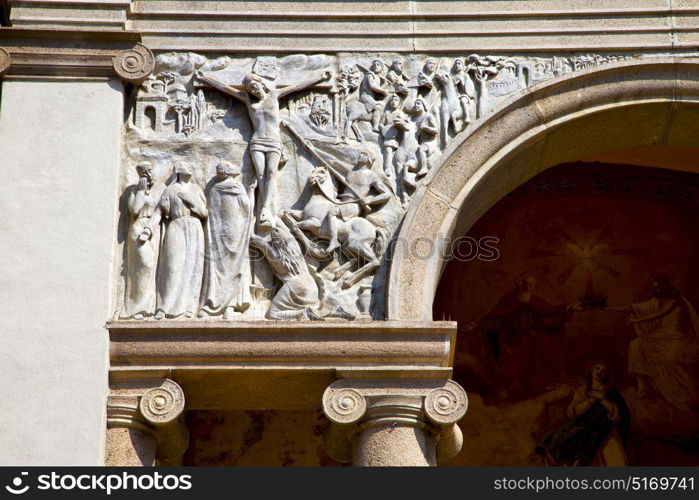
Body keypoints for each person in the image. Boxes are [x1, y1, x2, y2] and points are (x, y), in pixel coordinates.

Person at [196, 68, 332, 229]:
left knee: (272, 173)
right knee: (261, 175)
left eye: (254, 85)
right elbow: (225, 88)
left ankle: (266, 208)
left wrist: (319, 77)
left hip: (274, 142)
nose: (253, 90)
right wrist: (206, 78)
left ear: (261, 83)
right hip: (257, 142)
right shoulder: (248, 101)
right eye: (250, 88)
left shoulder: (274, 95)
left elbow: (297, 86)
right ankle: (263, 211)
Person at [466, 274, 577, 400]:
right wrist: (478, 326)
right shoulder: (508, 300)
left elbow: (548, 316)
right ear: (519, 284)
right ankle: (508, 389)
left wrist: (566, 310)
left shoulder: (536, 301)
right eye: (526, 283)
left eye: (532, 285)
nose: (529, 287)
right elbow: (495, 317)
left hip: (529, 338)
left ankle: (536, 386)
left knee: (542, 340)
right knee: (505, 358)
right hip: (510, 339)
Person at [605, 277, 699, 411]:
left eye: (659, 286)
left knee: (668, 360)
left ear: (667, 286)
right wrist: (607, 309)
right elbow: (630, 307)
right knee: (636, 344)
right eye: (655, 287)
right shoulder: (655, 302)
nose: (657, 289)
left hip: (675, 337)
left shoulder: (675, 300)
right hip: (659, 335)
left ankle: (683, 395)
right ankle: (642, 383)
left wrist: (636, 321)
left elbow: (659, 315)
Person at [141, 162, 208, 319]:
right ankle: (163, 307)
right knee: (173, 267)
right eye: (187, 167)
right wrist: (148, 229)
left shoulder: (196, 190)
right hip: (176, 225)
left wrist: (191, 201)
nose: (190, 170)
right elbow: (158, 212)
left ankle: (189, 308)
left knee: (193, 267)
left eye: (191, 168)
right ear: (179, 171)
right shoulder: (170, 190)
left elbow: (204, 213)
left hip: (194, 226)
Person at [536, 363, 630, 466]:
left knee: (617, 463)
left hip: (606, 432)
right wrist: (591, 400)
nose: (599, 372)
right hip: (581, 429)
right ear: (591, 370)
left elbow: (616, 415)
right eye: (597, 368)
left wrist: (601, 398)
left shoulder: (613, 393)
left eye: (603, 370)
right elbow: (573, 412)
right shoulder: (582, 390)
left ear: (607, 375)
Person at [199, 161, 254, 319]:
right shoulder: (238, 188)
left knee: (219, 267)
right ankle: (229, 306)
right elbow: (247, 208)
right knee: (235, 266)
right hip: (235, 230)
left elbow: (211, 212)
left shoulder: (214, 189)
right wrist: (251, 191)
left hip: (218, 233)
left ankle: (214, 304)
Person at [120, 161, 165, 319]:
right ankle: (135, 308)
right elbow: (134, 211)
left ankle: (148, 308)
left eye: (151, 171)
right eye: (146, 173)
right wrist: (141, 191)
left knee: (152, 268)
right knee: (142, 267)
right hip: (138, 228)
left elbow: (162, 210)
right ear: (141, 175)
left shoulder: (160, 189)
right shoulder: (134, 190)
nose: (150, 175)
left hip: (153, 230)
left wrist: (151, 228)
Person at [250, 220, 319, 320]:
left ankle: (302, 314)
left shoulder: (277, 258)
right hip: (312, 286)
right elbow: (280, 223)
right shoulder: (294, 246)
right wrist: (272, 218)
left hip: (296, 285)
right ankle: (310, 311)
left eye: (273, 240)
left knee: (272, 314)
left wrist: (249, 222)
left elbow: (256, 240)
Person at [359, 59, 389, 133]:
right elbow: (372, 86)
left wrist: (385, 85)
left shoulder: (377, 77)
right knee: (378, 107)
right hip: (365, 97)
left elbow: (377, 91)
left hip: (371, 97)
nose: (376, 66)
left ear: (382, 68)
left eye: (378, 65)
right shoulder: (370, 75)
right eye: (374, 65)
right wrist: (383, 91)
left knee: (383, 104)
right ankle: (375, 126)